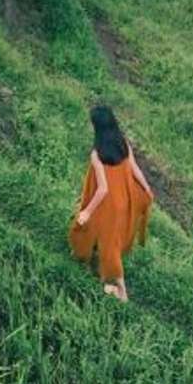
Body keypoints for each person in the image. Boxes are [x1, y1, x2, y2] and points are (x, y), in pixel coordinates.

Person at [67, 103, 153, 300]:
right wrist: (146, 188)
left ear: (97, 128)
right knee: (108, 239)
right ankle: (91, 260)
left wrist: (87, 211)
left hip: (110, 204)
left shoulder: (97, 154)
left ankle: (122, 292)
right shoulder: (123, 143)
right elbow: (134, 169)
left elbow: (103, 189)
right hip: (124, 198)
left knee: (108, 245)